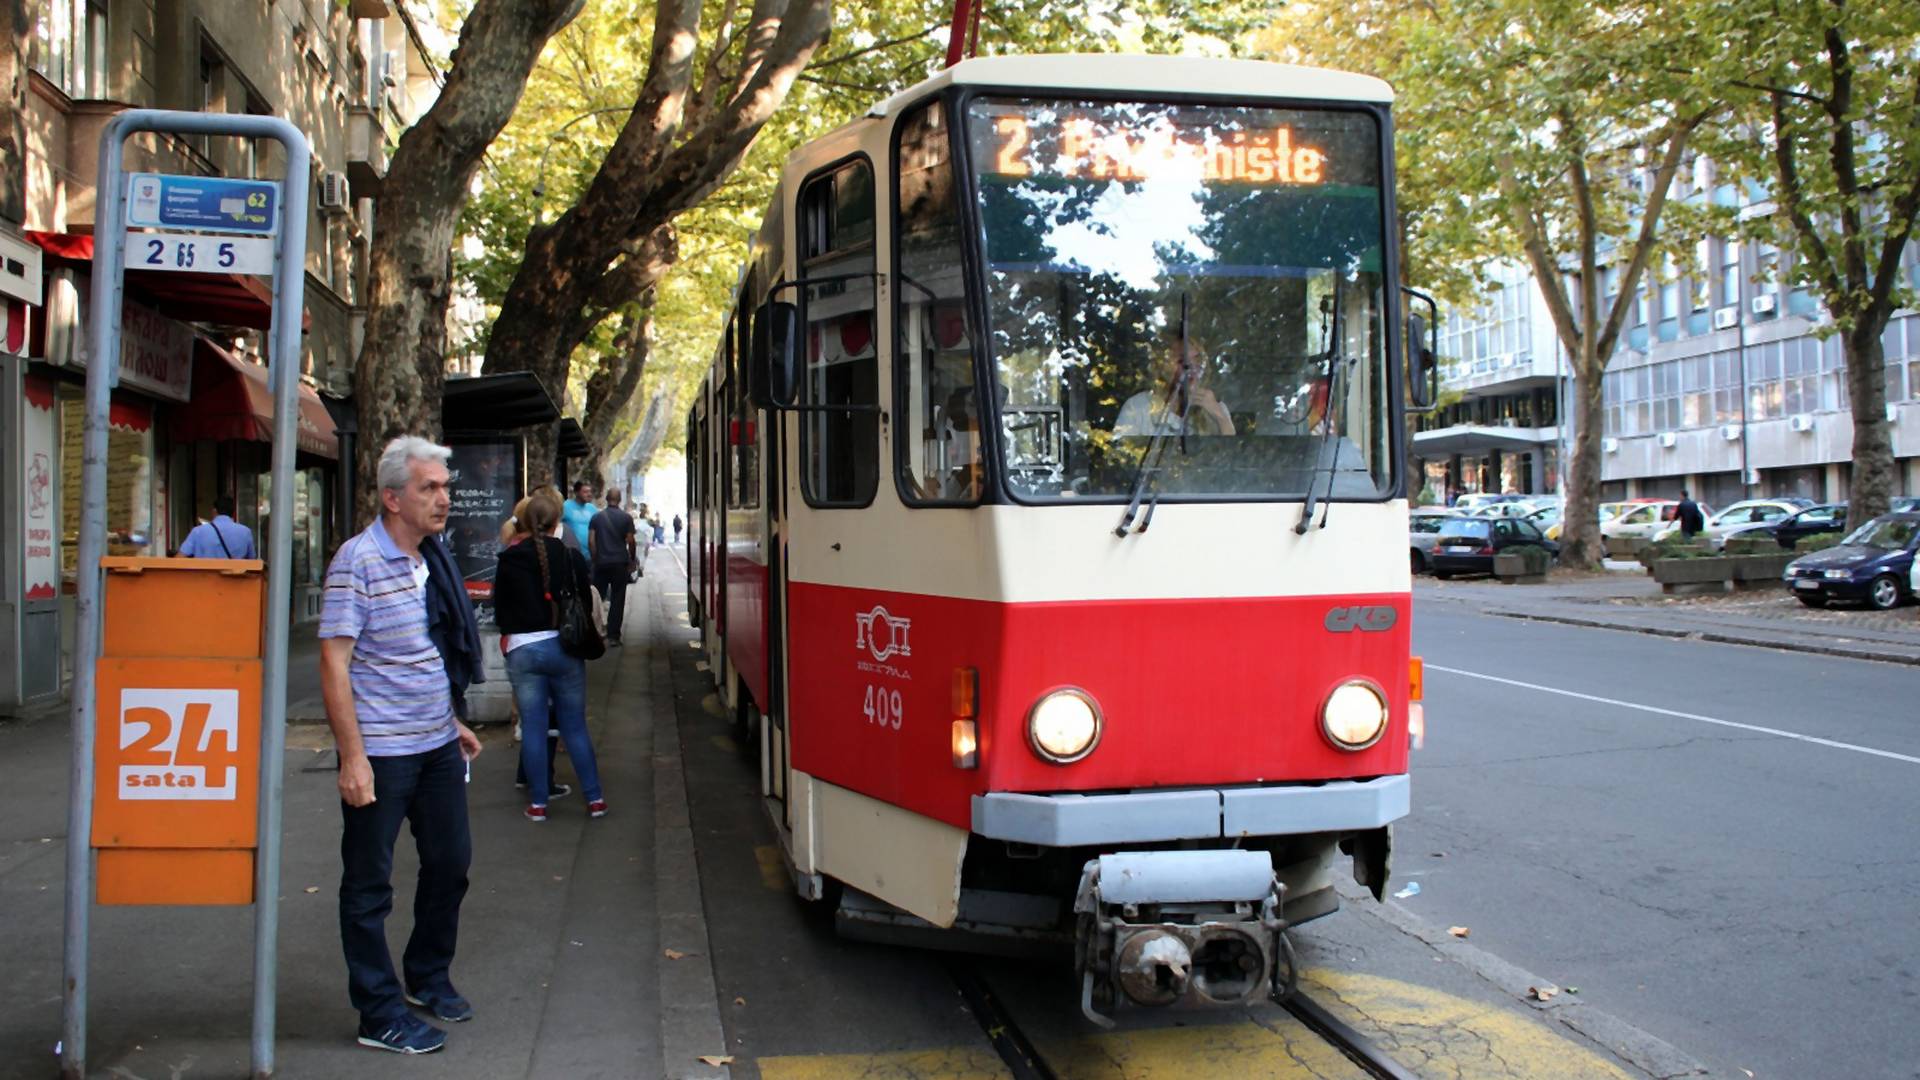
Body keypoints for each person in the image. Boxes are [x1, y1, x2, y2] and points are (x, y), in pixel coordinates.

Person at [319, 436, 485, 1055]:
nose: (444, 498)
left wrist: (452, 718)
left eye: (445, 486)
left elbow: (423, 654)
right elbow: (335, 665)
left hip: (437, 743)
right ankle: (378, 1013)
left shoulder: (431, 559)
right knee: (369, 886)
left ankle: (426, 976)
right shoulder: (356, 562)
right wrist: (353, 757)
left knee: (450, 864)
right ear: (393, 498)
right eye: (430, 488)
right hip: (381, 753)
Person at [492, 490, 607, 823]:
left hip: (523, 652)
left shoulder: (508, 559)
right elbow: (585, 601)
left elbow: (501, 612)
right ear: (558, 521)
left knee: (533, 728)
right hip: (564, 650)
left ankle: (539, 804)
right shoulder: (570, 557)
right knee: (574, 728)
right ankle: (595, 799)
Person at [1112, 343, 1234, 437]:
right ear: (1164, 367)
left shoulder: (1217, 408)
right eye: (1182, 361)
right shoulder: (1138, 407)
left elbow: (1233, 460)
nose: (1192, 367)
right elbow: (1121, 459)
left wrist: (1220, 417)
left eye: (1197, 360)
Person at [588, 488, 638, 645]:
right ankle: (613, 636)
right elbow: (630, 541)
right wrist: (631, 559)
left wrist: (595, 558)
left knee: (597, 597)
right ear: (620, 499)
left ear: (606, 499)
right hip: (619, 564)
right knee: (617, 598)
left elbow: (591, 541)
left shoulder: (596, 517)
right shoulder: (626, 518)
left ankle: (594, 631)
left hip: (601, 563)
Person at [177, 495, 257, 559]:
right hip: (234, 578)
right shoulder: (246, 532)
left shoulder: (197, 531)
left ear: (214, 511)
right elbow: (252, 560)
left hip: (203, 578)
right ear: (233, 512)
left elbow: (179, 558)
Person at [561, 481, 596, 550]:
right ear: (576, 493)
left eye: (590, 492)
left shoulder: (592, 508)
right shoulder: (565, 506)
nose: (589, 494)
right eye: (585, 492)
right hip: (571, 553)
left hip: (590, 554)